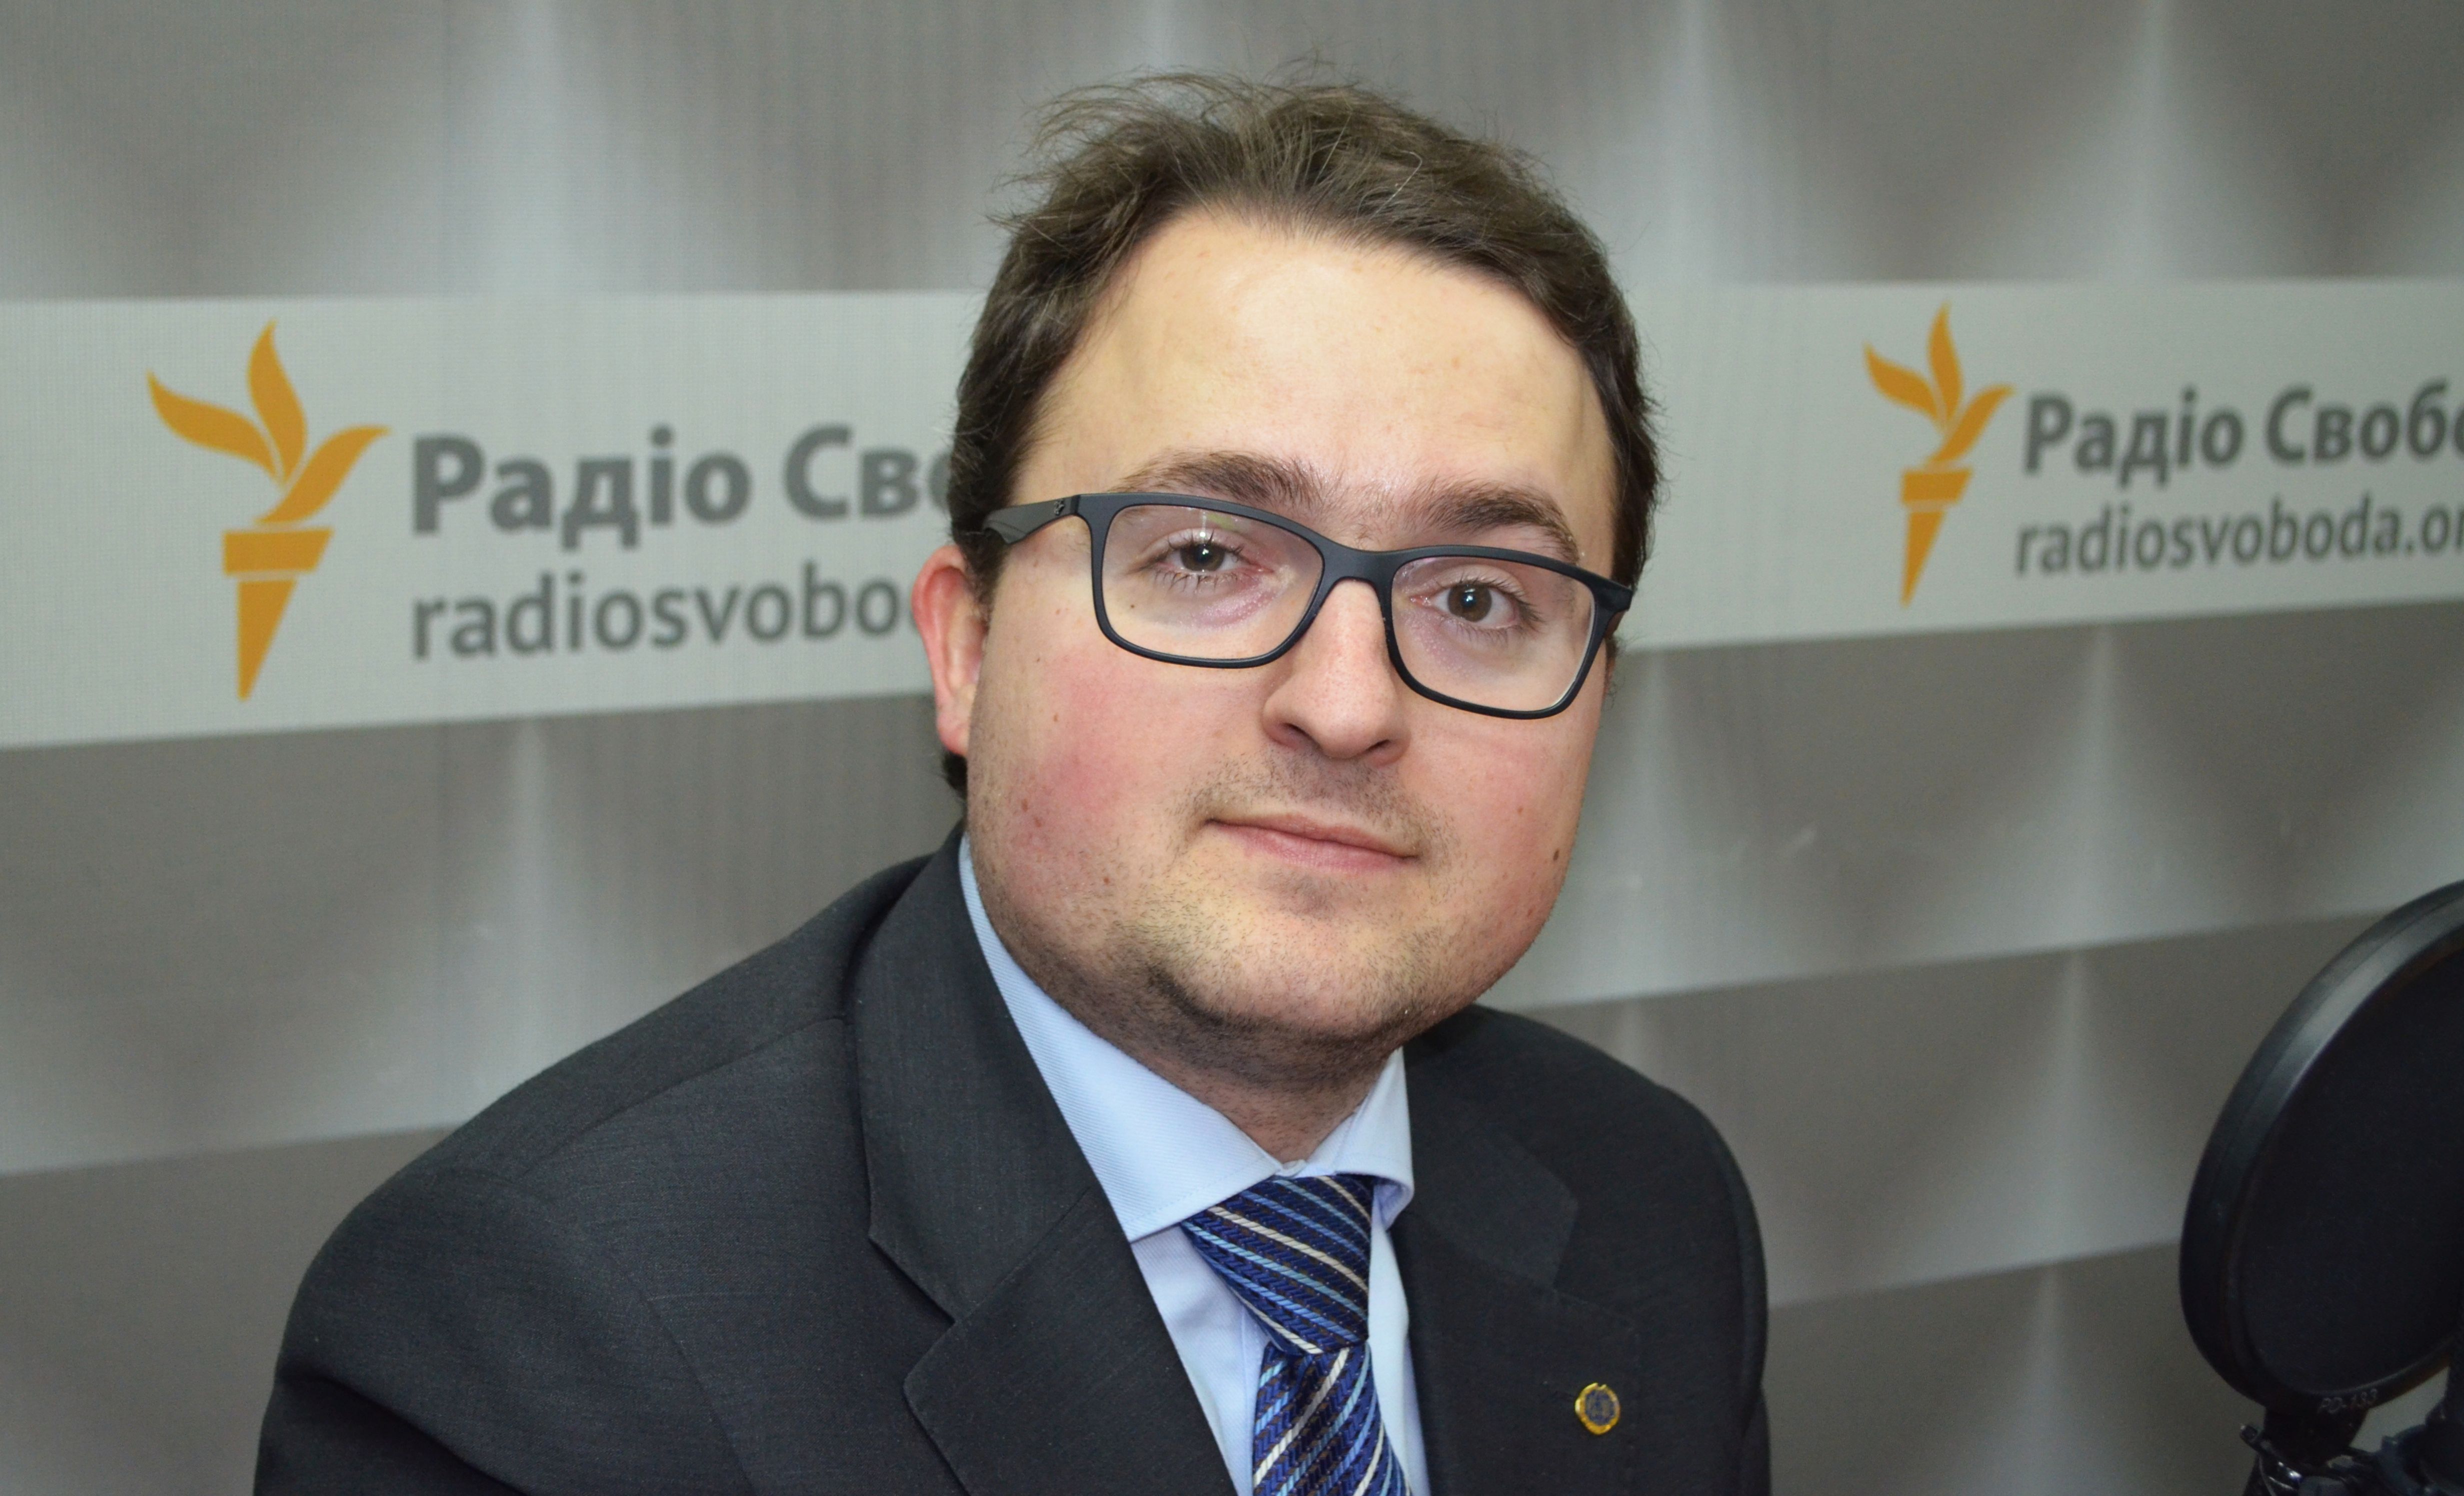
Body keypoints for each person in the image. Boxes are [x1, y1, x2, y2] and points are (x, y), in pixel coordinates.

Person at [257, 74, 1768, 1496]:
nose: (1347, 704)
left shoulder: (1648, 1197)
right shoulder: (539, 1335)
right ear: (969, 648)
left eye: (1481, 599)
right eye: (1205, 557)